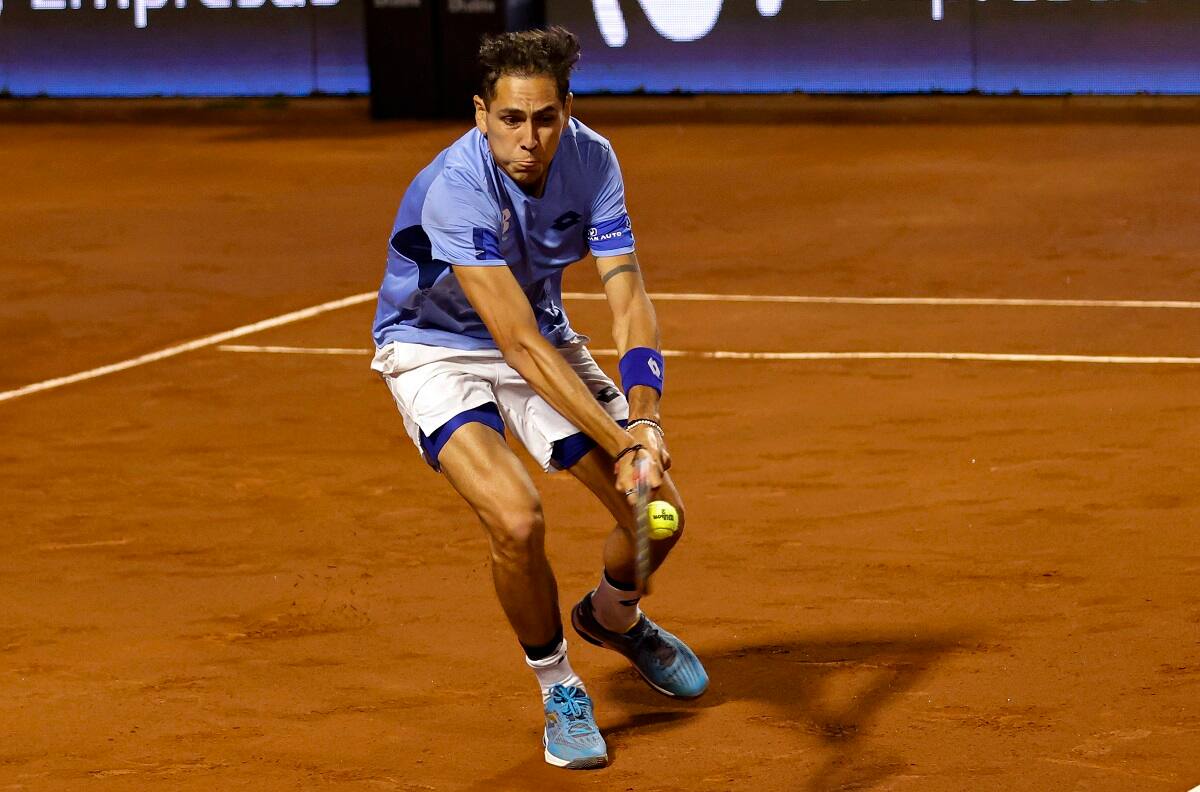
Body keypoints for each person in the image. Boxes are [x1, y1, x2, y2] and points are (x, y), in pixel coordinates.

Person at [369, 26, 707, 770]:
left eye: (546, 119)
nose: (530, 139)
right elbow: (513, 341)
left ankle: (614, 618)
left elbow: (627, 294)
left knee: (659, 517)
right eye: (512, 119)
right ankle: (558, 683)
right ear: (481, 114)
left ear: (567, 111)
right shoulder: (454, 188)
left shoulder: (593, 160)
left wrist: (645, 420)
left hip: (542, 336)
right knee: (518, 522)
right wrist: (621, 443)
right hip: (434, 350)